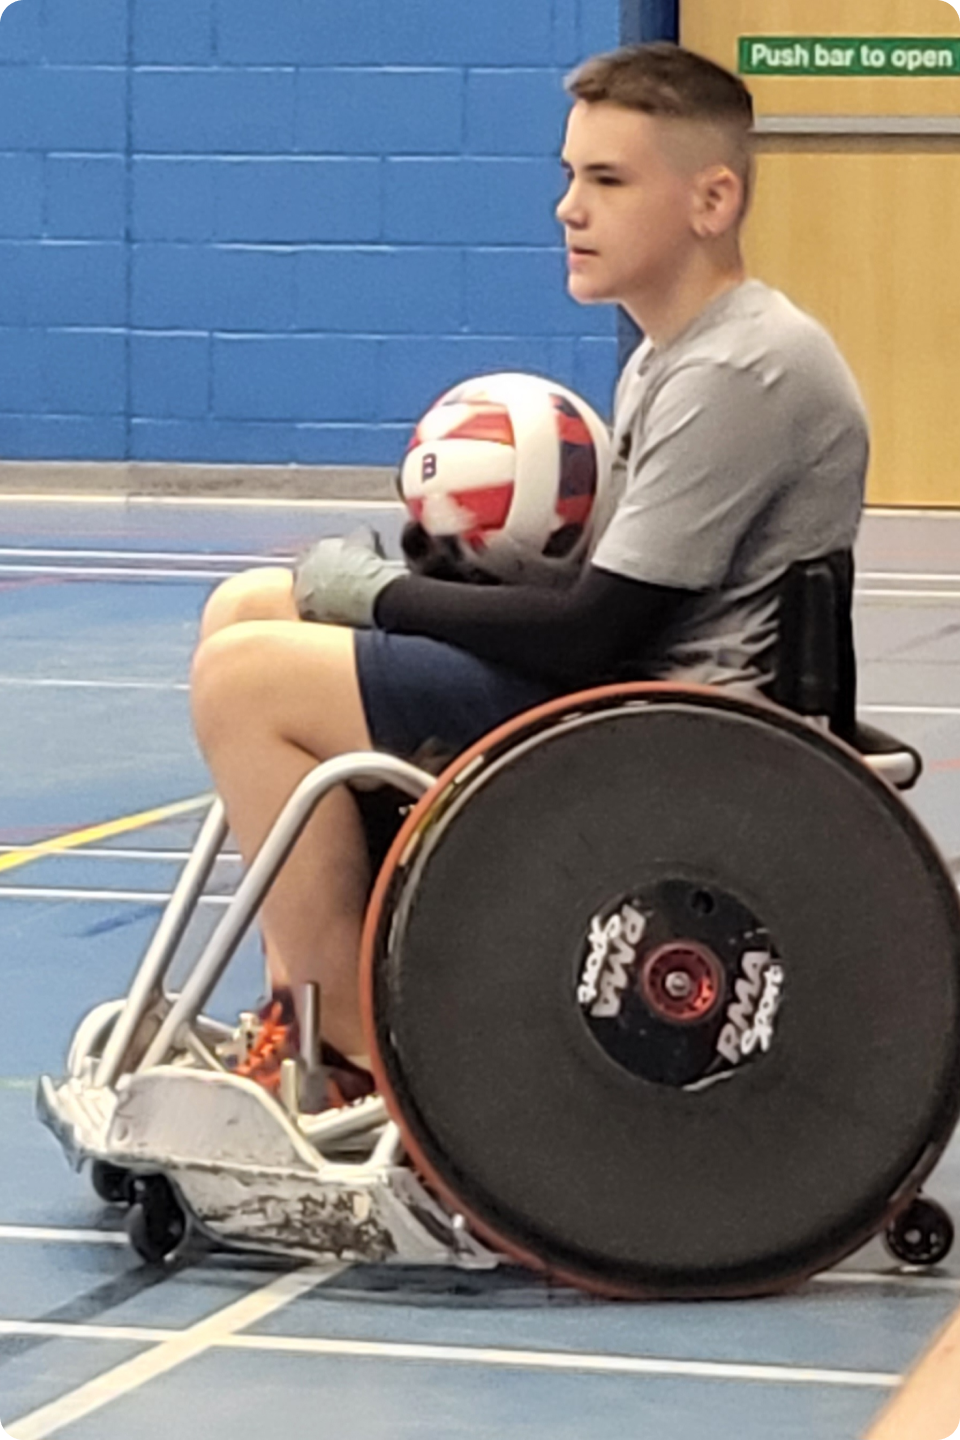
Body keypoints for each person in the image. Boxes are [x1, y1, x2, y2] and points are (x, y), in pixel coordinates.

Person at [190, 42, 869, 1104]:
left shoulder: (741, 366)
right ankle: (302, 1000)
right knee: (248, 605)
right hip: (631, 693)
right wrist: (410, 583)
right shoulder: (671, 353)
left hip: (669, 733)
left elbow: (593, 631)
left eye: (606, 180)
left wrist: (381, 598)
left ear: (712, 198)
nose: (568, 208)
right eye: (568, 177)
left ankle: (353, 1048)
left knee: (244, 680)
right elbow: (595, 599)